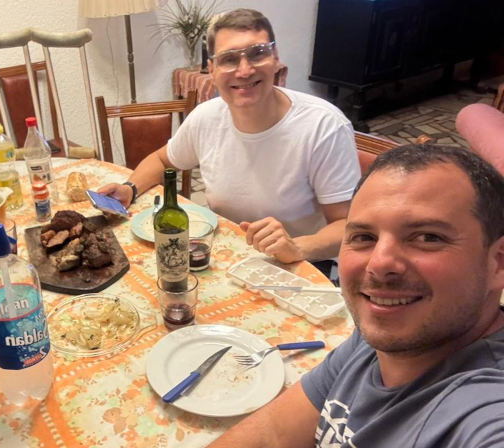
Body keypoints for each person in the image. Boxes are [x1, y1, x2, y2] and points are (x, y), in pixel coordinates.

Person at [128, 144, 504, 448]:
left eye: (427, 237)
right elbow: (273, 436)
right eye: (364, 236)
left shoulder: (480, 412)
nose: (379, 263)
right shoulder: (377, 340)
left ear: (498, 262)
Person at [99, 8, 360, 269]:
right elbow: (162, 159)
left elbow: (349, 226)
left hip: (304, 264)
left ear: (275, 58)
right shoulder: (206, 117)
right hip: (228, 258)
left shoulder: (323, 126)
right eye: (229, 59)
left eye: (257, 53)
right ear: (211, 70)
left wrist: (297, 246)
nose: (244, 70)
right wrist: (129, 188)